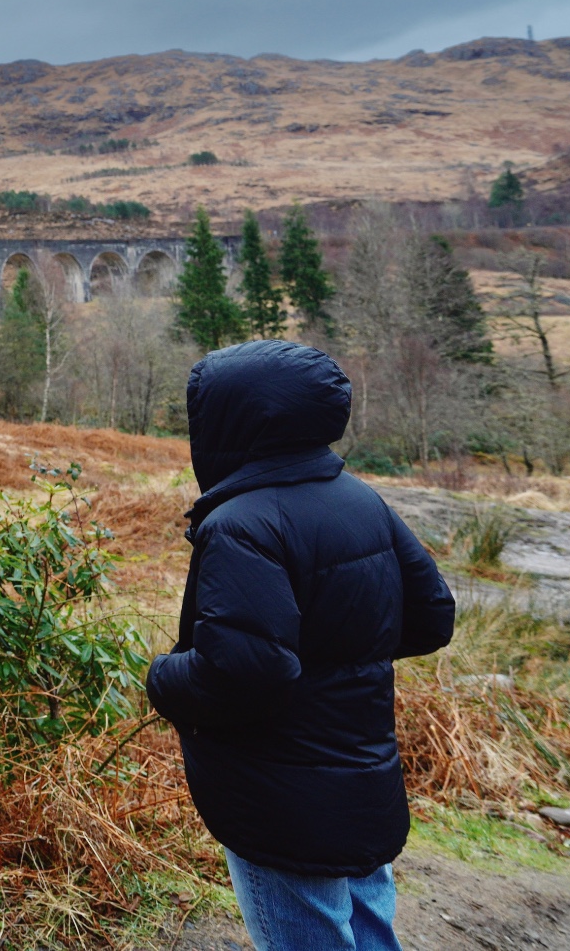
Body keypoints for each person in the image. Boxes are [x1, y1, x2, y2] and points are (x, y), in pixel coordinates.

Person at [146, 340, 455, 951]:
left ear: (232, 423)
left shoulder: (240, 523)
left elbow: (245, 671)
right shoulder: (361, 499)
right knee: (369, 932)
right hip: (362, 770)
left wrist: (163, 677)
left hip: (278, 793)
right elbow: (431, 617)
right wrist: (340, 652)